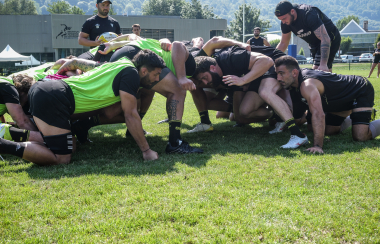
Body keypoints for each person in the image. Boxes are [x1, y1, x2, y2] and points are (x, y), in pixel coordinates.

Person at [0, 50, 165, 165]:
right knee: (61, 158)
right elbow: (131, 115)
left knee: (70, 144)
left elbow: (109, 112)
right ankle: (4, 145)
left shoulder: (121, 64)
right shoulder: (132, 75)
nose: (157, 79)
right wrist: (146, 151)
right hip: (55, 96)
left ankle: (9, 133)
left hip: (49, 90)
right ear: (143, 70)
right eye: (156, 74)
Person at [275, 55, 380, 154]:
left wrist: (317, 146)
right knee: (327, 130)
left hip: (359, 90)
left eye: (281, 73)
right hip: (338, 101)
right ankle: (355, 114)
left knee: (360, 136)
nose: (278, 78)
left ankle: (362, 113)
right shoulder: (294, 84)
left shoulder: (307, 85)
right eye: (277, 74)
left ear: (294, 73)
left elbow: (318, 114)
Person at [274, 1, 341, 72]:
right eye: (281, 20)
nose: (283, 22)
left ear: (292, 11)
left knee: (317, 71)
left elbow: (325, 38)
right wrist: (272, 59)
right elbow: (283, 43)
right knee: (326, 72)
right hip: (314, 43)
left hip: (329, 38)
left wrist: (323, 64)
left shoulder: (308, 14)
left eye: (284, 18)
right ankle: (332, 82)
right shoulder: (285, 23)